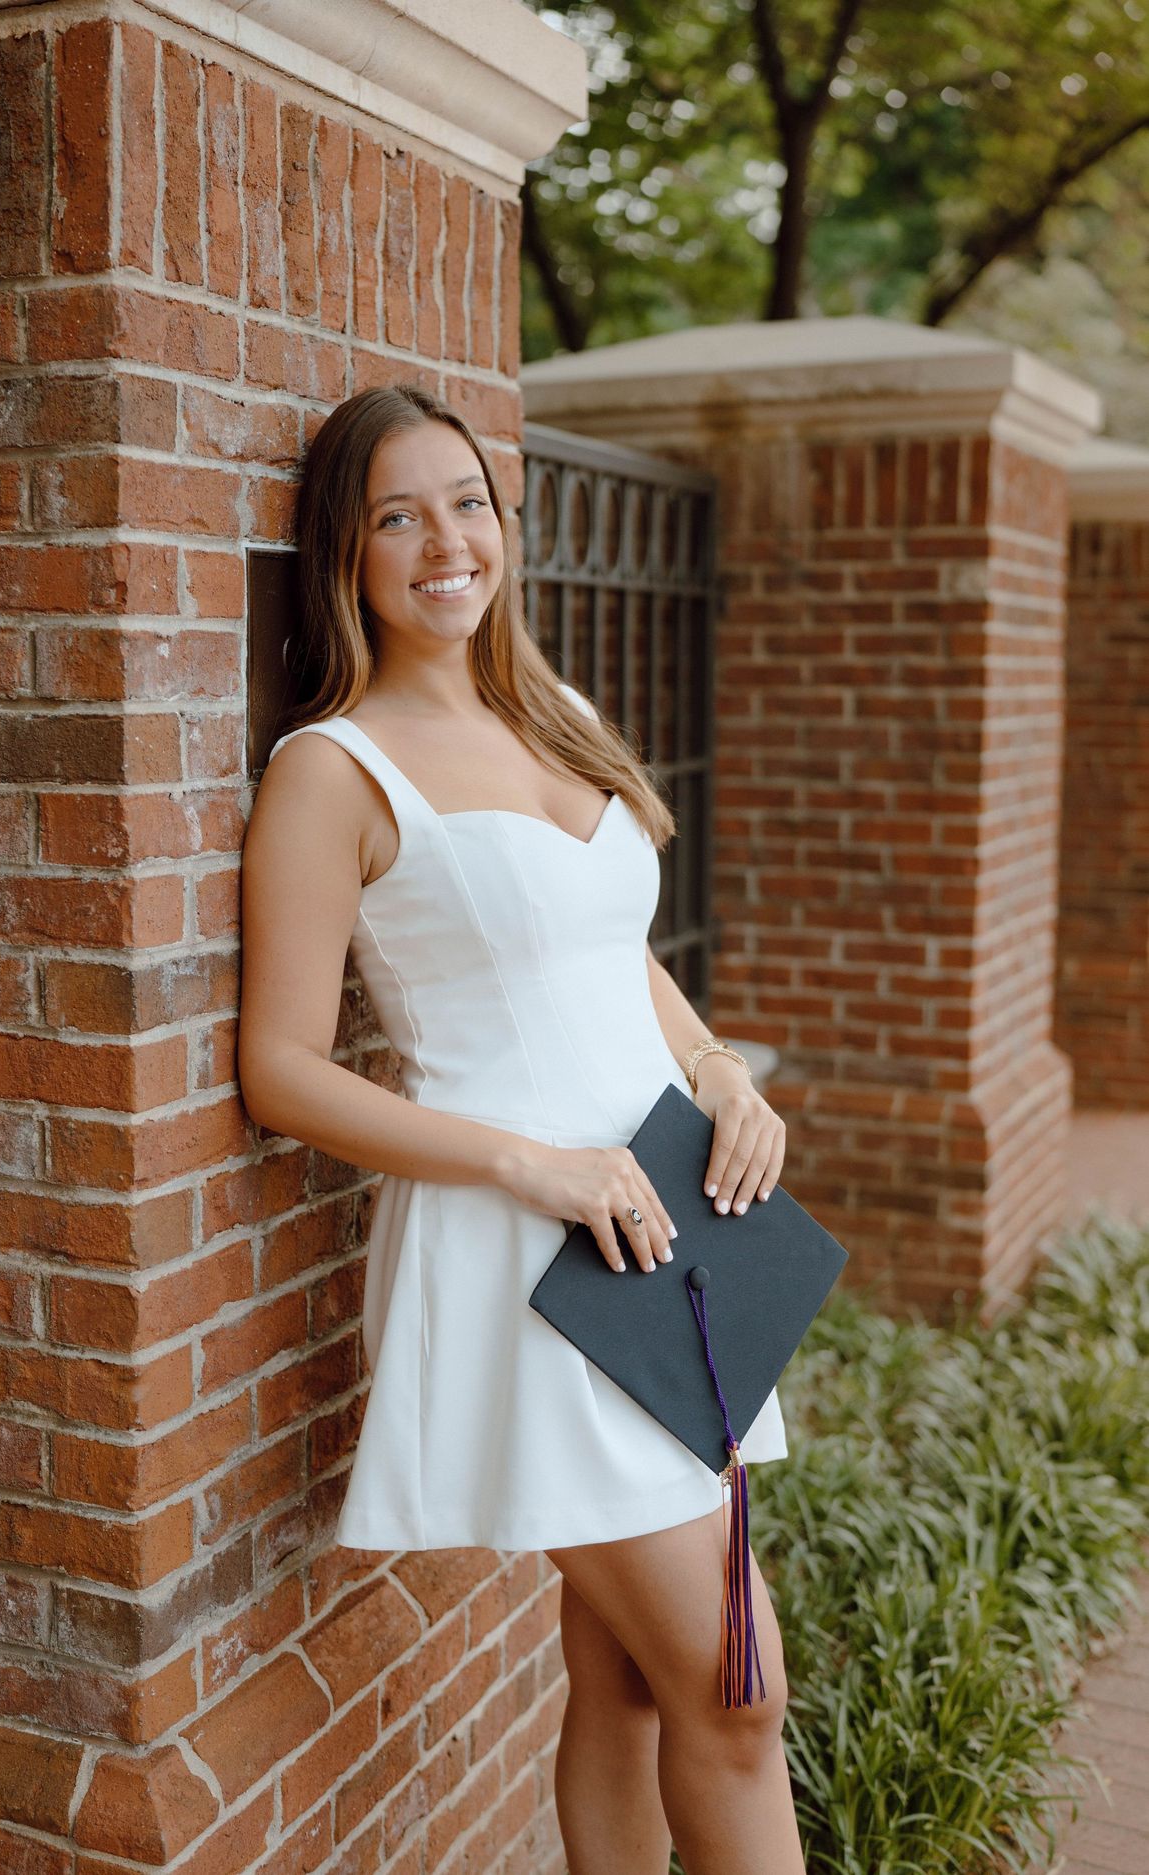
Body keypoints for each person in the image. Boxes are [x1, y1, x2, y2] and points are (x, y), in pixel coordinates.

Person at [238, 383, 807, 1875]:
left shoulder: (555, 719)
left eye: (468, 503)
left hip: (667, 1244)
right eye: (397, 516)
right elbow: (281, 1069)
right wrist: (525, 1161)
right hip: (531, 1266)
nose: (445, 542)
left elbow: (615, 957)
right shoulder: (333, 769)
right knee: (742, 1700)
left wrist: (727, 1075)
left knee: (626, 1688)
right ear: (345, 556)